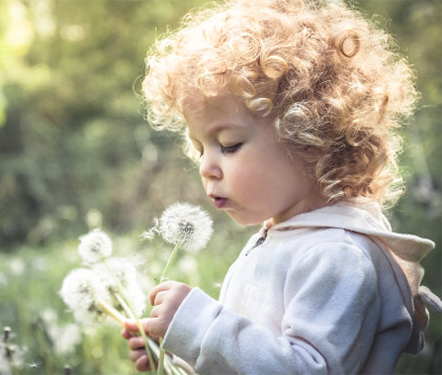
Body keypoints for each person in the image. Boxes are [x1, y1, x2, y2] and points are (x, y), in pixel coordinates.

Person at [121, 0, 442, 373]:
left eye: (228, 145)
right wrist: (181, 348)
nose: (206, 167)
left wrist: (202, 327)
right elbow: (259, 352)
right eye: (199, 148)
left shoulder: (337, 256)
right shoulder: (289, 237)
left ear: (308, 137)